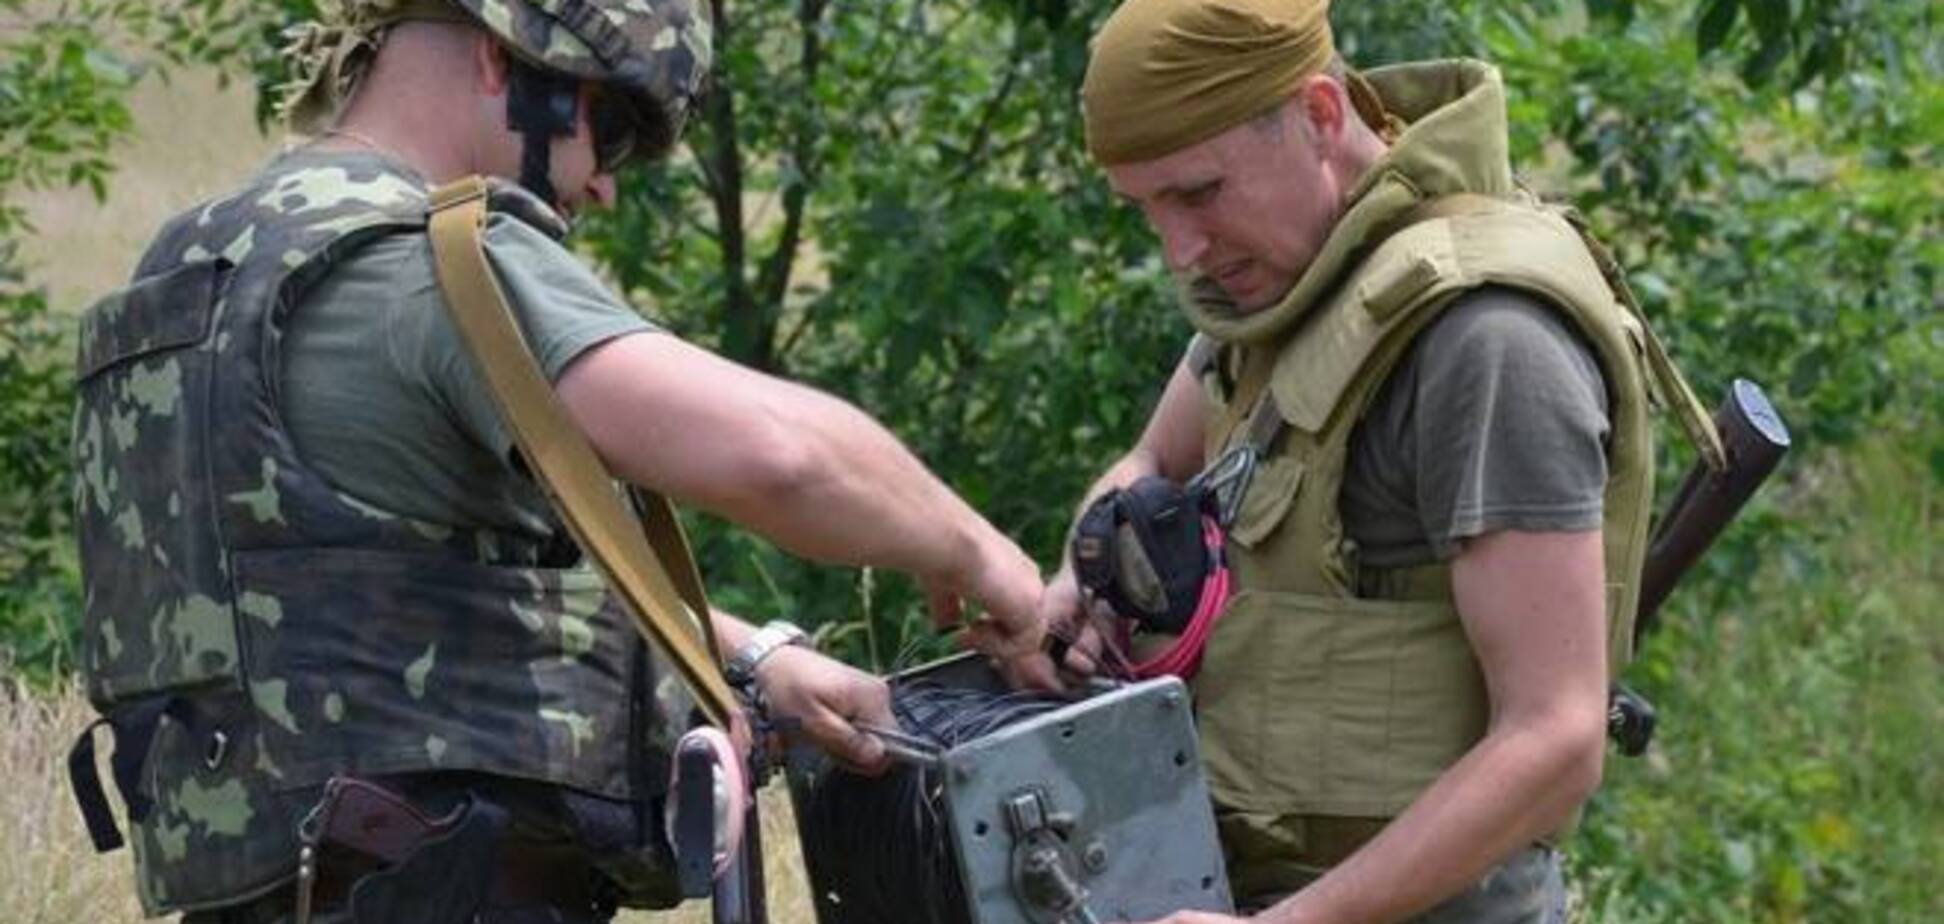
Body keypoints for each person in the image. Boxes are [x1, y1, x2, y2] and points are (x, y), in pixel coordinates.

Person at [67, 1, 1048, 921]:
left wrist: (750, 659)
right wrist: (975, 553)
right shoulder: (432, 261)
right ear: (504, 57)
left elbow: (362, 592)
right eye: (609, 126)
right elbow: (781, 458)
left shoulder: (195, 269)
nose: (606, 181)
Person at [1036, 1, 1709, 921]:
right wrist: (1083, 573)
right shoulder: (1300, 265)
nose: (1178, 250)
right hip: (1238, 874)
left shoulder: (1488, 343)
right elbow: (1157, 453)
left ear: (1318, 114)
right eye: (1145, 207)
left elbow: (1554, 741)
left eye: (1198, 193)